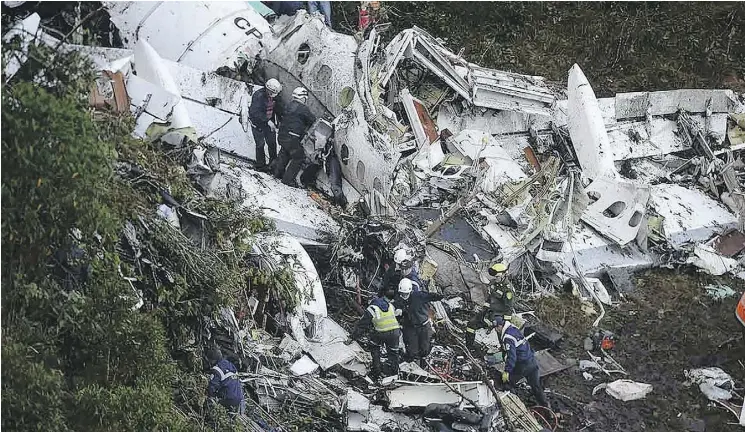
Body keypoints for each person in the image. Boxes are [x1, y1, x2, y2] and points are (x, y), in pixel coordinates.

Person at [494, 315, 550, 408]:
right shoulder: (513, 329)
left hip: (523, 365)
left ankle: (516, 407)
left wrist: (507, 371)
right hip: (532, 361)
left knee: (507, 384)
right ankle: (547, 409)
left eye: (496, 328)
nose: (496, 330)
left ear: (500, 326)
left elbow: (512, 357)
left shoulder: (507, 337)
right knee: (536, 387)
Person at [348, 289, 401, 379]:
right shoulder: (390, 306)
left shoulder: (372, 307)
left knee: (374, 347)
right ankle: (394, 373)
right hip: (395, 332)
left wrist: (352, 337)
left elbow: (363, 324)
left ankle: (377, 372)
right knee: (393, 353)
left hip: (381, 332)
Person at [465, 263, 519, 349]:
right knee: (471, 323)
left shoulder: (508, 290)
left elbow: (509, 308)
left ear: (504, 275)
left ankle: (505, 353)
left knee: (501, 335)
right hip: (489, 312)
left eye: (497, 277)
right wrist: (483, 310)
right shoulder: (494, 284)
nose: (496, 279)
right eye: (495, 277)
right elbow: (490, 298)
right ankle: (469, 347)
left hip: (499, 315)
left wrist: (505, 323)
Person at [272, 87, 316, 187]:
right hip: (292, 137)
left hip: (282, 135)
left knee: (284, 153)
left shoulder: (288, 105)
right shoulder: (303, 108)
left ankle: (276, 173)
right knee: (298, 157)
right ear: (303, 98)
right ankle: (287, 180)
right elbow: (312, 119)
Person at [395, 278, 443, 365]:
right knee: (413, 351)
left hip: (423, 326)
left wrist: (441, 297)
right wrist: (400, 312)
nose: (404, 295)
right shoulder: (398, 300)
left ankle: (424, 367)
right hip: (410, 328)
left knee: (425, 350)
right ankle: (414, 368)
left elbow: (431, 296)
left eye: (406, 294)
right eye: (402, 294)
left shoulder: (418, 296)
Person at [249, 78, 282, 170]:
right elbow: (255, 112)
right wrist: (267, 121)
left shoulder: (276, 96)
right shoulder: (258, 96)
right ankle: (260, 165)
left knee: (272, 144)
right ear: (267, 89)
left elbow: (278, 109)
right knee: (260, 144)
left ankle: (273, 165)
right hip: (258, 124)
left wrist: (279, 122)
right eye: (271, 93)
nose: (272, 95)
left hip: (269, 124)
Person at [206, 347, 246, 415]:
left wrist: (210, 394)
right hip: (238, 399)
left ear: (213, 360)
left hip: (227, 399)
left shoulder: (217, 368)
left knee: (210, 405)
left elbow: (212, 386)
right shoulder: (231, 365)